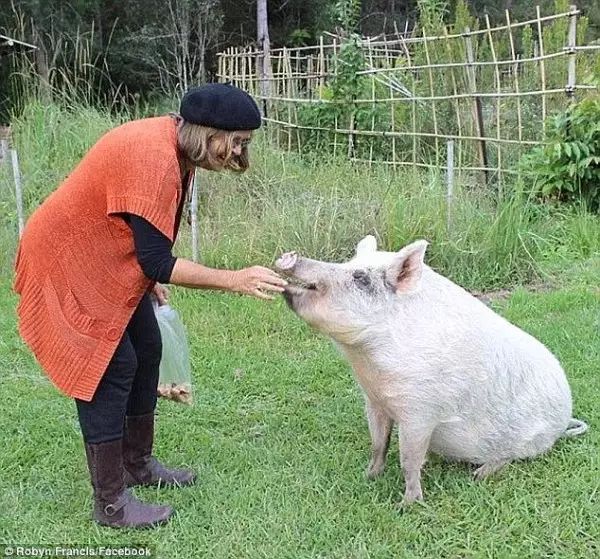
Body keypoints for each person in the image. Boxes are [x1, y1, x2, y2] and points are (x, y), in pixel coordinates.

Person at [13, 83, 287, 529]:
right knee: (110, 366)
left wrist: (143, 277)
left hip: (106, 258)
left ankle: (137, 465)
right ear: (208, 133)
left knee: (147, 346)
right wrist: (233, 279)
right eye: (237, 141)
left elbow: (147, 244)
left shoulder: (176, 148)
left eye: (244, 143)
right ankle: (111, 504)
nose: (238, 153)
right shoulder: (154, 158)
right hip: (66, 258)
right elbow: (158, 261)